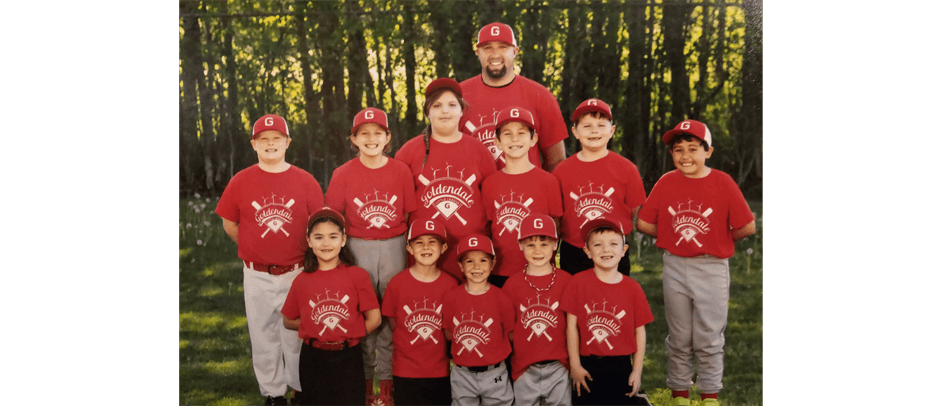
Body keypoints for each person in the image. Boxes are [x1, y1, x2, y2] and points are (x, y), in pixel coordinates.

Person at [635, 119, 756, 406]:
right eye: (678, 150)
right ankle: (679, 393)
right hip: (676, 265)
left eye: (693, 148)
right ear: (671, 154)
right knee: (679, 336)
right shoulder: (666, 182)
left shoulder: (722, 182)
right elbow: (643, 222)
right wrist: (672, 238)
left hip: (711, 267)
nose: (685, 156)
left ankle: (710, 395)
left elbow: (747, 226)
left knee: (709, 335)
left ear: (708, 151)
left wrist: (716, 240)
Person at [215, 114, 324, 406]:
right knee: (263, 335)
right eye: (264, 139)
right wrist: (253, 249)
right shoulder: (241, 180)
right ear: (254, 144)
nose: (271, 144)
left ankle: (301, 391)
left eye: (277, 138)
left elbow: (319, 225)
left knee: (297, 334)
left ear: (288, 142)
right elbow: (229, 223)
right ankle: (273, 395)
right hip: (257, 274)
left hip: (297, 271)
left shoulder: (305, 180)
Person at [325, 107, 417, 406]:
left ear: (388, 137)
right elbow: (334, 217)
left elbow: (410, 212)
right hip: (358, 245)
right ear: (353, 139)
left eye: (378, 133)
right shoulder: (343, 173)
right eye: (363, 133)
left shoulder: (401, 170)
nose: (371, 138)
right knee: (363, 316)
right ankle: (365, 383)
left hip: (393, 244)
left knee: (390, 317)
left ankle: (387, 384)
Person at [394, 78, 497, 280]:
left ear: (461, 111)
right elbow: (401, 209)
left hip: (470, 253)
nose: (445, 111)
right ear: (428, 111)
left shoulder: (479, 151)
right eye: (437, 105)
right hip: (424, 254)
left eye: (452, 105)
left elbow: (492, 202)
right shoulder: (409, 152)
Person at [281, 208, 382, 406]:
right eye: (318, 237)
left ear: (343, 240)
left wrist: (350, 334)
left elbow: (375, 318)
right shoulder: (302, 280)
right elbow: (288, 319)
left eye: (333, 236)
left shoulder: (357, 276)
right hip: (313, 357)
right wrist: (314, 328)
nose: (326, 243)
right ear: (309, 242)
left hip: (349, 356)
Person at [560, 218, 654, 405]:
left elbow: (640, 332)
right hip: (587, 364)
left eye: (613, 244)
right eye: (597, 244)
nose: (606, 249)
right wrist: (575, 365)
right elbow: (571, 327)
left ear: (623, 251)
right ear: (587, 251)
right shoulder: (577, 283)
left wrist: (636, 371)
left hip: (620, 365)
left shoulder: (632, 288)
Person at [552, 98, 645, 277]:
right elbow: (557, 214)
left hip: (614, 250)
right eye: (586, 126)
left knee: (615, 302)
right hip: (575, 250)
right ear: (575, 132)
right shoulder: (562, 171)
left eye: (601, 125)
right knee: (576, 301)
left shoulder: (627, 169)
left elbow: (632, 211)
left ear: (612, 131)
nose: (594, 130)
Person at [460, 22, 568, 172]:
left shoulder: (540, 96)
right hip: (476, 193)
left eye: (503, 47)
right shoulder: (458, 96)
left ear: (515, 51)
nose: (495, 54)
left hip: (525, 192)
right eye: (487, 48)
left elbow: (556, 160)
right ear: (477, 52)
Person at [482, 106, 563, 286]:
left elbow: (556, 226)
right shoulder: (489, 183)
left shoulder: (548, 181)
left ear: (533, 139)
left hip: (538, 269)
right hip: (500, 271)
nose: (515, 139)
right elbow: (489, 227)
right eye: (507, 134)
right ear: (497, 141)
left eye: (521, 133)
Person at [381, 218, 459, 405]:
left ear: (443, 248)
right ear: (409, 249)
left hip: (439, 370)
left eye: (432, 242)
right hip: (405, 370)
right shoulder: (397, 284)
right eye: (419, 243)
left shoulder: (451, 285)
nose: (426, 247)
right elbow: (394, 323)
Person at [501, 214, 573, 406]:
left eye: (544, 243)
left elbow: (573, 327)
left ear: (555, 245)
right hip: (524, 368)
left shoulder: (567, 282)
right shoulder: (512, 285)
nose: (537, 250)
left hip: (559, 367)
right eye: (530, 244)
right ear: (520, 245)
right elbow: (508, 330)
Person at [441, 234, 515, 406]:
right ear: (460, 265)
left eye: (483, 260)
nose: (476, 267)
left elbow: (510, 334)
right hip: (462, 373)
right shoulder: (451, 297)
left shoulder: (502, 298)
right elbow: (449, 333)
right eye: (469, 261)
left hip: (495, 372)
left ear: (492, 264)